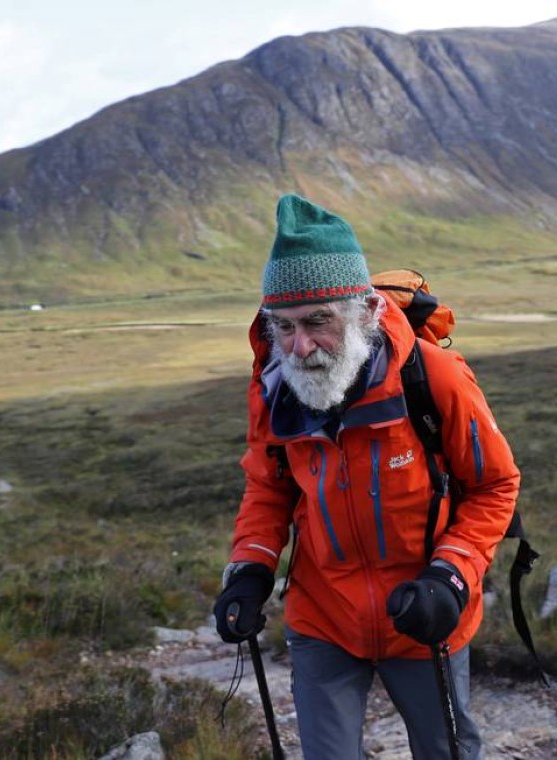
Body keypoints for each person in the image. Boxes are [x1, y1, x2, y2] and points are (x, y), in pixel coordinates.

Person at [214, 194, 520, 759]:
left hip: (424, 615)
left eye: (317, 322)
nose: (300, 346)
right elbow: (269, 485)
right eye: (283, 327)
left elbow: (494, 485)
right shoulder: (276, 387)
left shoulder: (437, 380)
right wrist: (250, 568)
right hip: (323, 618)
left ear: (365, 312)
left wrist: (451, 577)